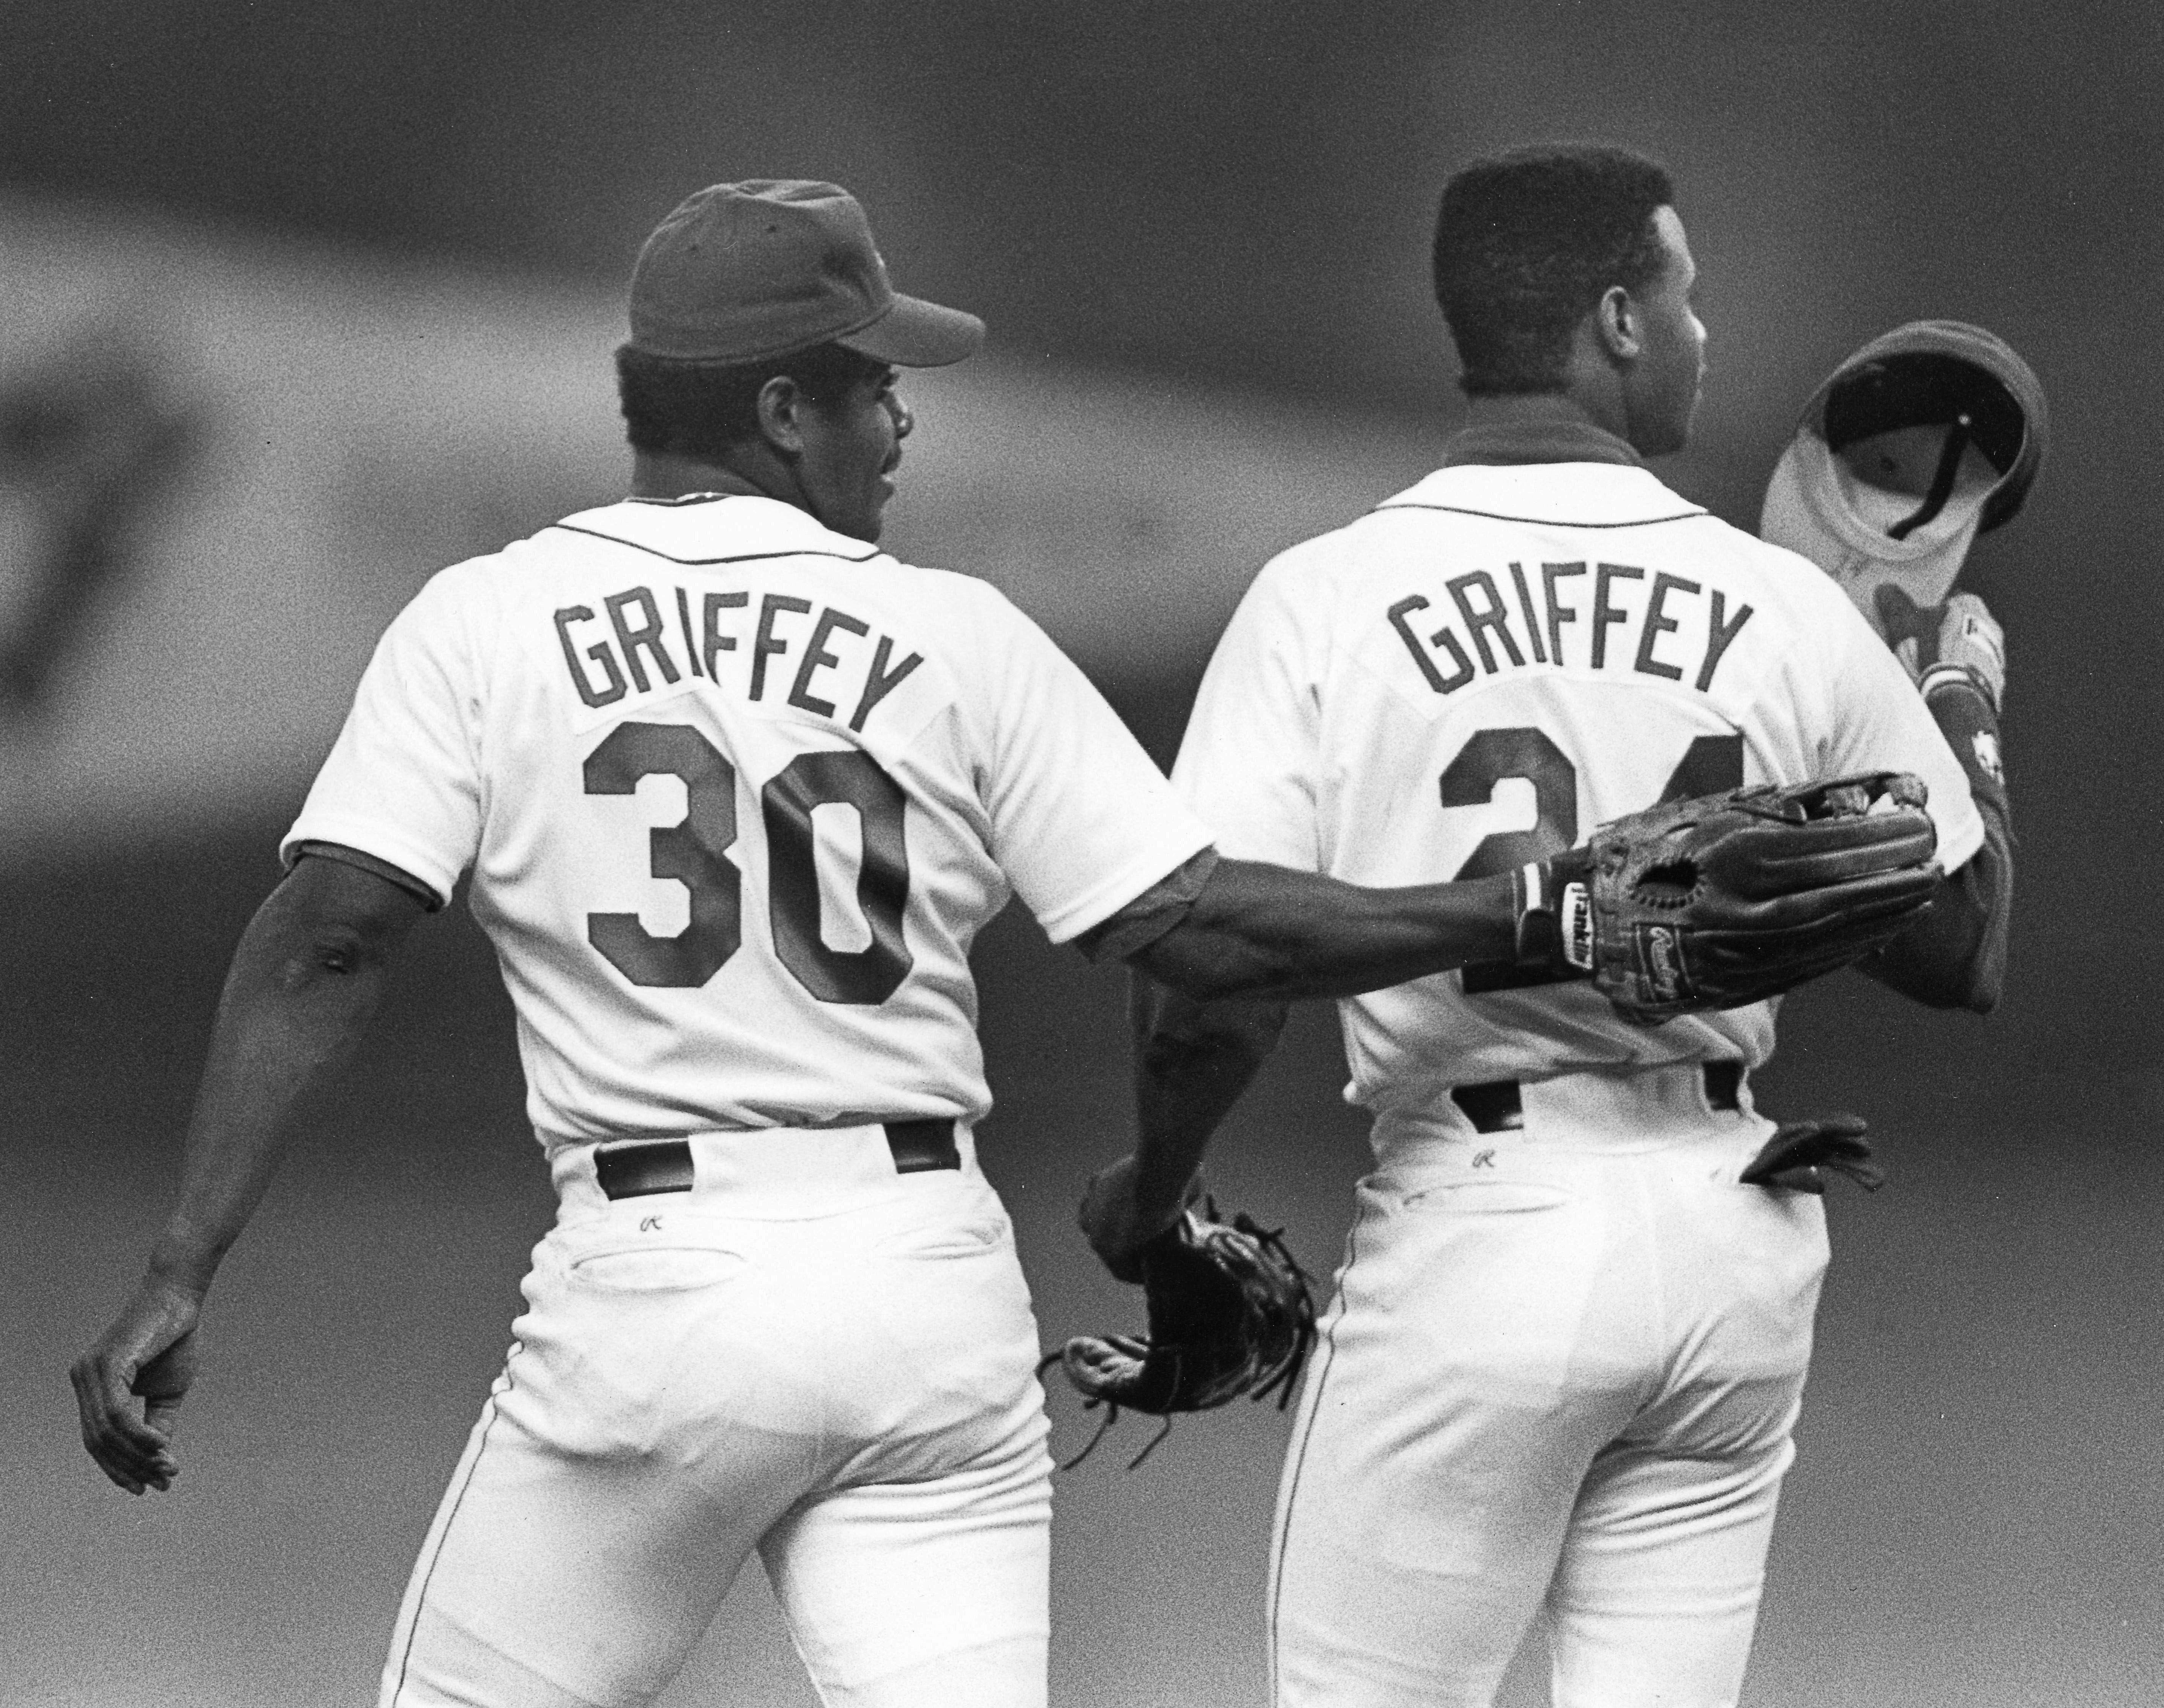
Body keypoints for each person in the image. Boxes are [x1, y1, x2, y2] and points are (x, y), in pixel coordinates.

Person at [72, 179, 1593, 1708]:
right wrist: (1536, 906)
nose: (901, 422)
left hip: (654, 1293)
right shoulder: (957, 633)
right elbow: (1195, 929)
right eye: (876, 385)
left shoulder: (485, 623)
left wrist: (182, 1268)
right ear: (786, 409)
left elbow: (327, 937)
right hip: (922, 1294)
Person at [1080, 144, 2014, 1708]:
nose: (1706, 331)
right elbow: (1957, 947)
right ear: (1618, 322)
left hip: (1483, 1234)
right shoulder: (1781, 604)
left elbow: (1208, 988)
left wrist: (1157, 1200)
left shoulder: (1326, 595)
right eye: (1688, 294)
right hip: (1733, 1246)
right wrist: (1958, 698)